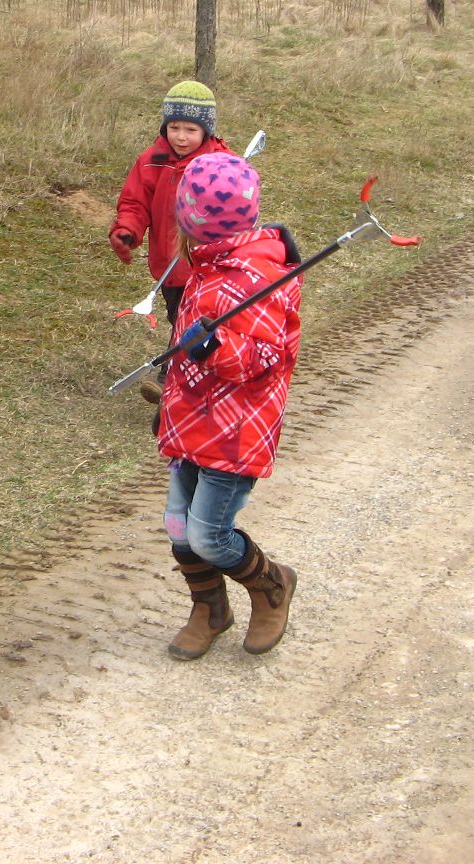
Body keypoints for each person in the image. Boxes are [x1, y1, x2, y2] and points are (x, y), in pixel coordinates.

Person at [156, 151, 302, 662]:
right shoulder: (208, 264)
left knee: (210, 536)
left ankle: (271, 585)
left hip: (237, 430)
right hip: (194, 422)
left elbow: (266, 356)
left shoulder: (255, 277)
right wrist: (170, 401)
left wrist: (212, 349)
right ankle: (210, 610)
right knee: (179, 530)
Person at [108, 80, 232, 402]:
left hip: (207, 265)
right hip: (169, 265)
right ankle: (203, 377)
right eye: (174, 127)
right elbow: (135, 203)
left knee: (192, 320)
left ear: (206, 130)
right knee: (178, 316)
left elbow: (238, 207)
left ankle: (171, 380)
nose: (180, 136)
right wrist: (127, 230)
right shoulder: (152, 161)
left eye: (190, 129)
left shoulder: (221, 164)